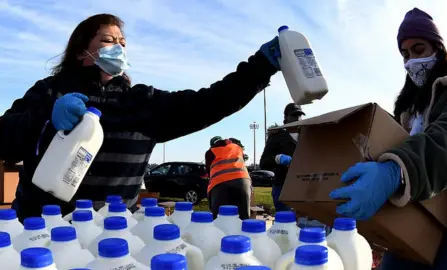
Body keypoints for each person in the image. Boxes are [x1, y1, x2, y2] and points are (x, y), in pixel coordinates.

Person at [0, 14, 281, 221]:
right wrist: (45, 118)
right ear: (80, 51)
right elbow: (4, 140)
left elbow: (210, 102)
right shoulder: (49, 92)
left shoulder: (142, 103)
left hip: (115, 235)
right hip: (41, 231)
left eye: (122, 43)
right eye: (108, 41)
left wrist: (259, 69)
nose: (118, 48)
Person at [329, 8, 447, 269]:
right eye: (405, 54)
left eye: (419, 50)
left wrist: (395, 171)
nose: (411, 61)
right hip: (412, 213)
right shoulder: (408, 107)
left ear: (438, 48)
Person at [260, 103, 304, 212]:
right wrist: (277, 158)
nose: (298, 118)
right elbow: (263, 163)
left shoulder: (306, 135)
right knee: (287, 221)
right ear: (286, 117)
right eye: (294, 115)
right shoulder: (277, 137)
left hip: (302, 185)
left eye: (300, 115)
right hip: (283, 187)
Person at [205, 136, 251, 219]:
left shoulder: (210, 152)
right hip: (243, 182)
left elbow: (209, 171)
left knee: (219, 219)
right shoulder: (237, 147)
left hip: (220, 183)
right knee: (243, 218)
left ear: (212, 145)